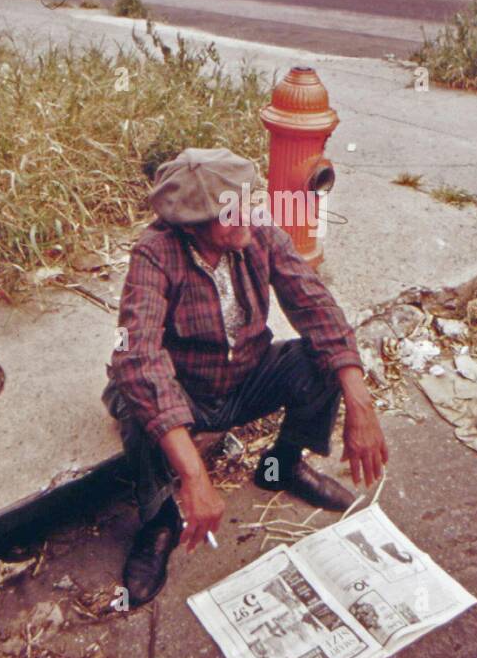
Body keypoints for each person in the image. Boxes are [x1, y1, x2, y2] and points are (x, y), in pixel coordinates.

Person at [102, 147, 389, 607]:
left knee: (320, 359)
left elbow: (316, 308)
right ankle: (159, 523)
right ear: (193, 223)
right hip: (187, 391)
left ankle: (280, 467)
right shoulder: (154, 254)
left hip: (245, 376)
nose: (245, 218)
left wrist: (360, 402)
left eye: (244, 203)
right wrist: (194, 475)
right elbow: (137, 357)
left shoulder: (260, 235)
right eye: (227, 213)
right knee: (138, 402)